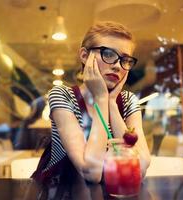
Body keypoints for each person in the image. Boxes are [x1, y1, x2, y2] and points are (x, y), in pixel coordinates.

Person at [32, 21, 151, 184]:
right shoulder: (62, 95)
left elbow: (142, 167)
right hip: (60, 190)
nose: (117, 66)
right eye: (108, 54)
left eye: (125, 59)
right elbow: (91, 172)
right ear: (84, 55)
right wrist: (102, 98)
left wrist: (111, 103)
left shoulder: (129, 101)